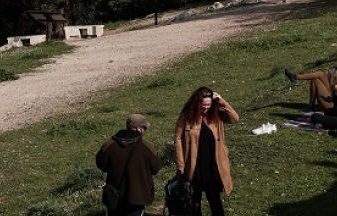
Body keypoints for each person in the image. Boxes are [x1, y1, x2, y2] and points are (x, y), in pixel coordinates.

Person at [174, 87, 240, 216]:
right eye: (203, 105)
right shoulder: (187, 115)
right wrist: (180, 164)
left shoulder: (216, 114)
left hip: (212, 165)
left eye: (208, 105)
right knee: (194, 201)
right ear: (196, 102)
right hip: (194, 166)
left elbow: (234, 118)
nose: (206, 108)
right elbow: (177, 139)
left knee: (214, 199)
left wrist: (221, 101)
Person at [95, 113, 162, 216]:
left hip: (114, 196)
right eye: (144, 128)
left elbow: (101, 164)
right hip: (138, 197)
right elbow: (156, 168)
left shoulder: (109, 144)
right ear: (139, 129)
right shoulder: (146, 147)